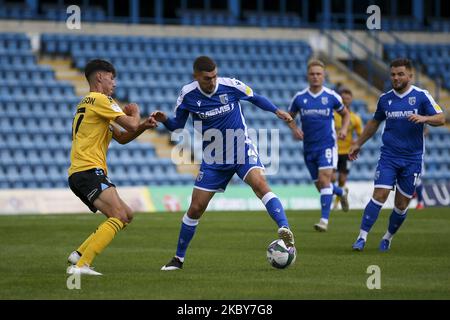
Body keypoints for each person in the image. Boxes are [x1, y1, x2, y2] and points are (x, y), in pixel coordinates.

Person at [151, 56, 295, 271]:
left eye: (215, 76)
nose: (213, 81)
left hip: (241, 150)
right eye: (208, 78)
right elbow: (177, 126)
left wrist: (276, 111)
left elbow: (255, 97)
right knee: (196, 208)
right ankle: (178, 259)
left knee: (260, 185)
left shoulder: (231, 85)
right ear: (196, 77)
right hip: (214, 159)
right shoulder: (187, 94)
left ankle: (285, 230)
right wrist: (164, 120)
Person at [66, 59, 157, 275]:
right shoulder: (100, 99)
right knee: (118, 215)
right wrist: (136, 113)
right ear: (100, 77)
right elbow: (130, 123)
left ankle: (79, 254)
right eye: (111, 77)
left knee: (127, 213)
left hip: (83, 172)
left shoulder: (88, 103)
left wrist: (143, 126)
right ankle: (81, 266)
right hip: (88, 170)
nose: (114, 83)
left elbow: (123, 137)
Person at [349, 58, 445, 252]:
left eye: (400, 74)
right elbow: (374, 123)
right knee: (380, 195)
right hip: (389, 157)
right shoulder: (385, 99)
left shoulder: (421, 96)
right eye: (393, 74)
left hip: (412, 159)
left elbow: (441, 118)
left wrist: (424, 118)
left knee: (401, 205)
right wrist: (358, 143)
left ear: (410, 76)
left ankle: (387, 238)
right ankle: (361, 237)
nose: (396, 77)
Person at [287, 59, 351, 232]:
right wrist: (294, 129)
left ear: (324, 76)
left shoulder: (331, 96)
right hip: (309, 148)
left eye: (318, 74)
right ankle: (340, 192)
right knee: (321, 186)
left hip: (327, 146)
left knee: (324, 181)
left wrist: (344, 129)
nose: (315, 77)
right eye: (312, 74)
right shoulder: (300, 98)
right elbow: (289, 116)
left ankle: (324, 220)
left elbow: (346, 115)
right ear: (308, 76)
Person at [332, 88, 363, 210]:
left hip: (347, 152)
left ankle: (336, 203)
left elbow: (361, 134)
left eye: (347, 99)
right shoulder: (333, 115)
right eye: (343, 99)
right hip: (333, 150)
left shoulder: (355, 118)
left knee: (342, 179)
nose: (345, 101)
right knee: (332, 178)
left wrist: (357, 143)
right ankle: (340, 194)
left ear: (351, 100)